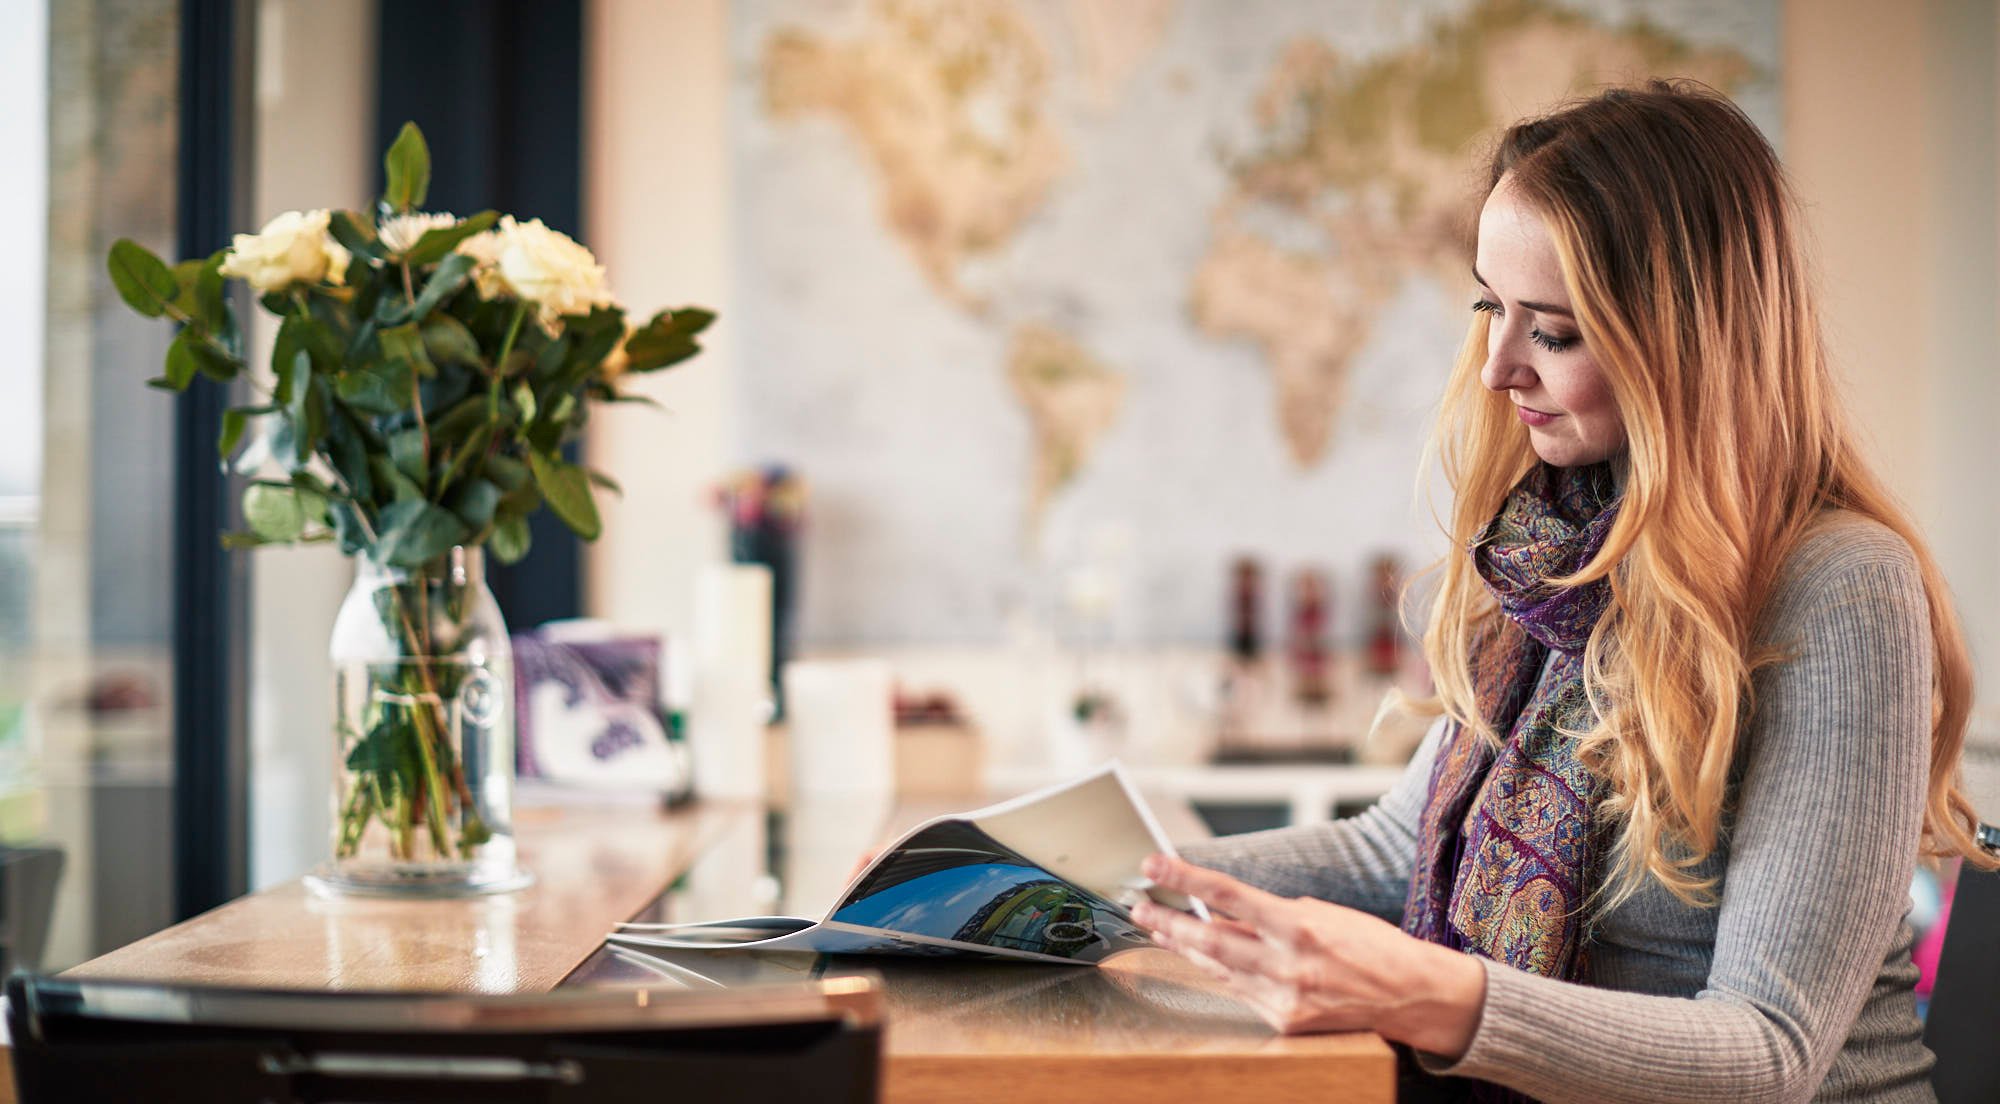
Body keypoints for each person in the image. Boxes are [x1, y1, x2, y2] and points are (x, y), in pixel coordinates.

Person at [1130, 80, 1994, 1104]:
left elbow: (1767, 1052)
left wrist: (1432, 995)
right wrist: (1099, 884)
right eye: (1489, 308)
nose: (1497, 368)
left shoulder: (1841, 587)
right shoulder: (1554, 556)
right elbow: (1395, 847)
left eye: (1553, 331)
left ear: (1686, 343)